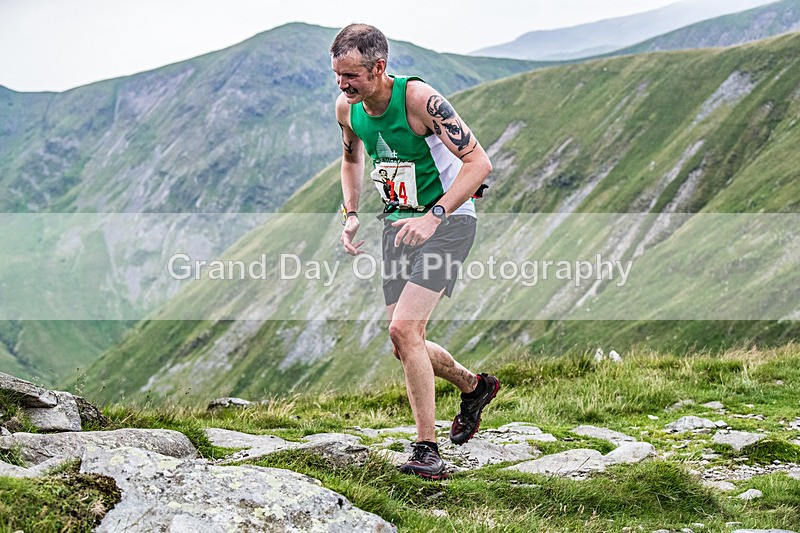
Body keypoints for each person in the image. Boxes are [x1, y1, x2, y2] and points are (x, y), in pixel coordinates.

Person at [330, 24, 500, 480]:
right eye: (337, 76)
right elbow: (351, 159)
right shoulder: (349, 108)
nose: (343, 85)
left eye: (352, 76)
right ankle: (475, 386)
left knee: (406, 330)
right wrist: (351, 213)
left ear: (379, 67)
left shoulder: (419, 100)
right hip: (398, 224)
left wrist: (435, 215)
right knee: (402, 344)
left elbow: (479, 163)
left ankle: (428, 450)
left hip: (448, 221)